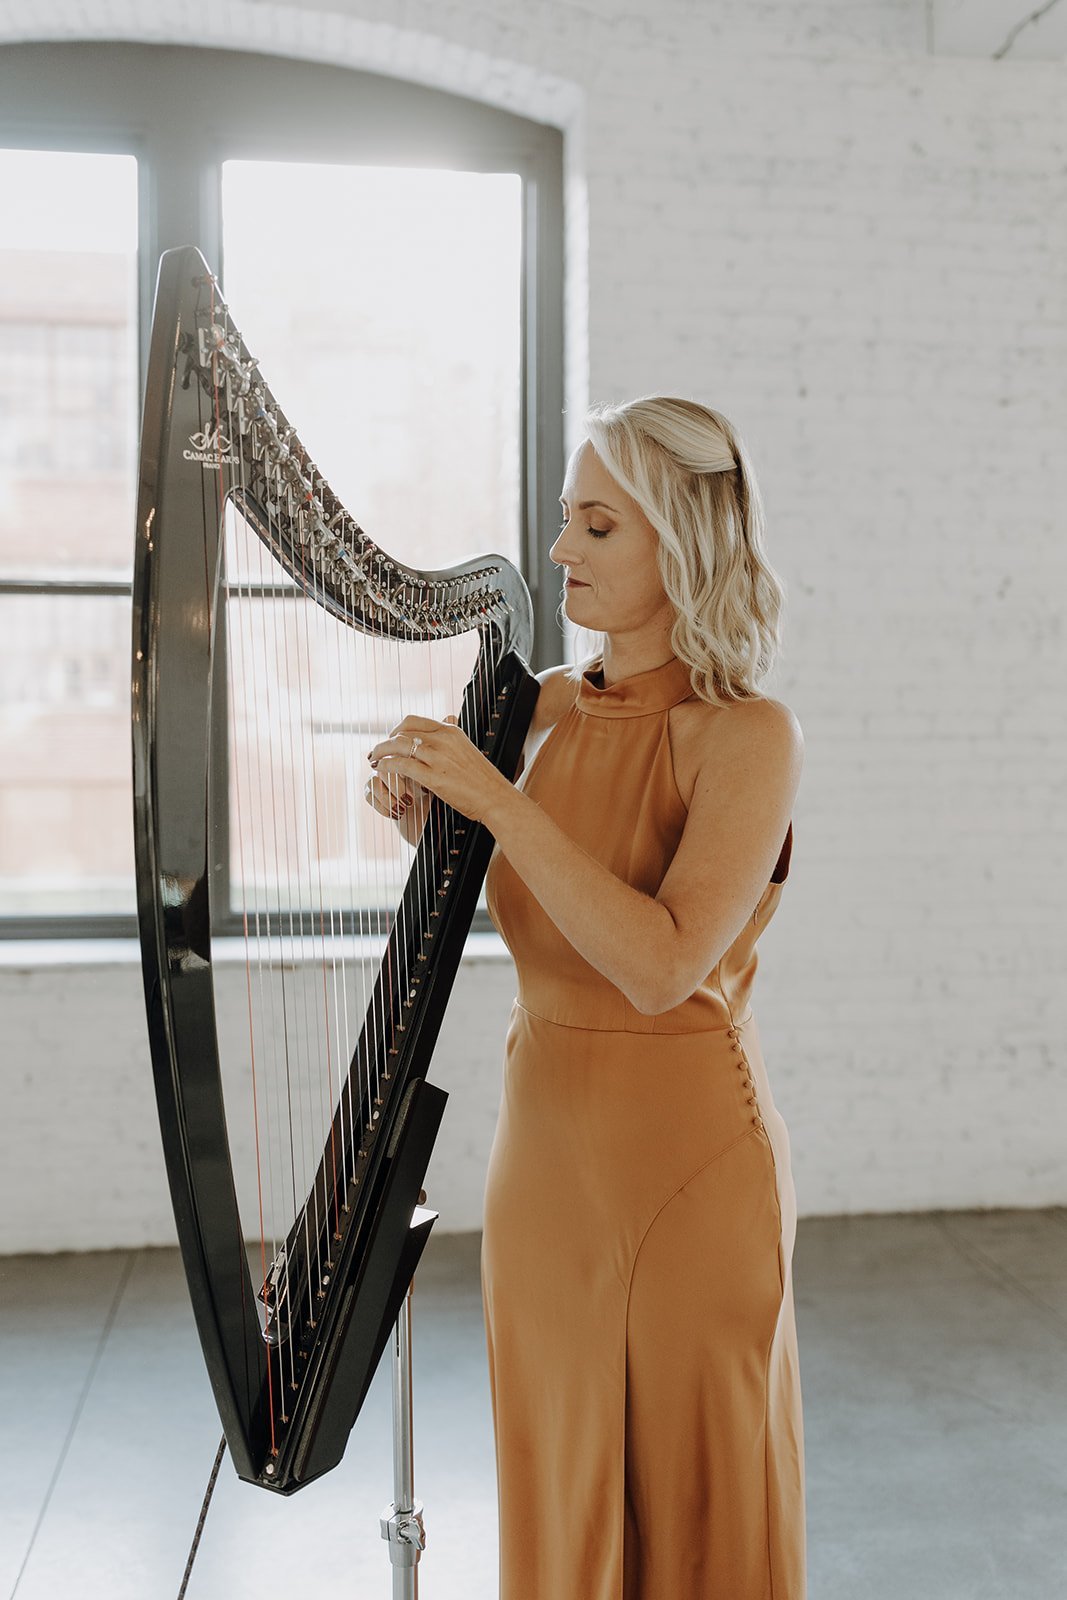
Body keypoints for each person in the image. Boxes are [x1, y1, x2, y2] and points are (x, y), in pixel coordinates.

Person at [365, 393, 806, 1599]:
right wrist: (433, 828)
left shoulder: (747, 736)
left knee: (694, 1506)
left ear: (684, 542)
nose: (559, 550)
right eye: (564, 520)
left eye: (598, 527)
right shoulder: (544, 708)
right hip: (543, 1162)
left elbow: (661, 963)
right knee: (560, 1484)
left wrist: (497, 800)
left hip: (687, 1172)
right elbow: (537, 914)